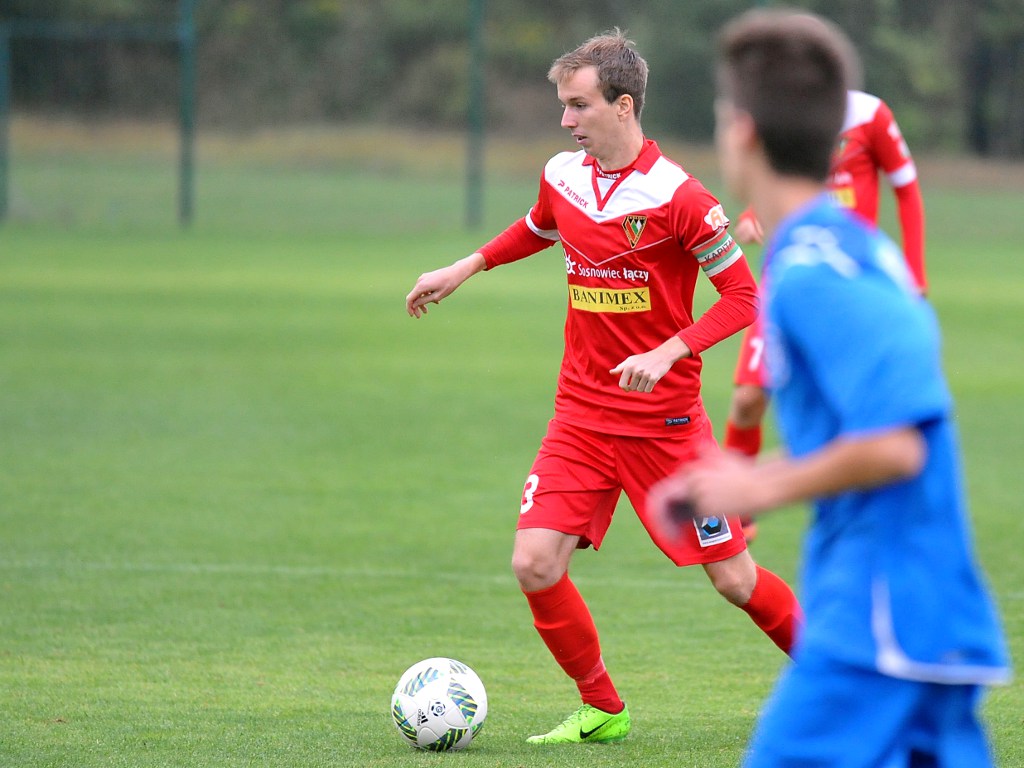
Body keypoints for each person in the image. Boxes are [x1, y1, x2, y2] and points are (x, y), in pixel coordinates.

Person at [405, 29, 801, 745]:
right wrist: (467, 266)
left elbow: (744, 297)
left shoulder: (682, 198)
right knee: (534, 563)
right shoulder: (563, 175)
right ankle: (603, 708)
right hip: (581, 417)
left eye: (579, 105)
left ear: (623, 105)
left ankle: (851, 685)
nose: (566, 120)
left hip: (664, 428)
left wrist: (671, 349)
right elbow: (539, 226)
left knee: (736, 582)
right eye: (563, 105)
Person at [650, 9, 1011, 766]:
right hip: (910, 611)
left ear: (743, 133)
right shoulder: (845, 248)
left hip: (879, 614)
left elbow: (898, 445)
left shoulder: (815, 272)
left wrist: (754, 485)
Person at [725, 87, 927, 543]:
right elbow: (778, 179)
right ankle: (736, 511)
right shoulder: (784, 113)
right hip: (788, 272)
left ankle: (862, 516)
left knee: (847, 414)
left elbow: (906, 188)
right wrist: (753, 214)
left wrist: (915, 274)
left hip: (849, 283)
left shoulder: (870, 114)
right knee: (748, 399)